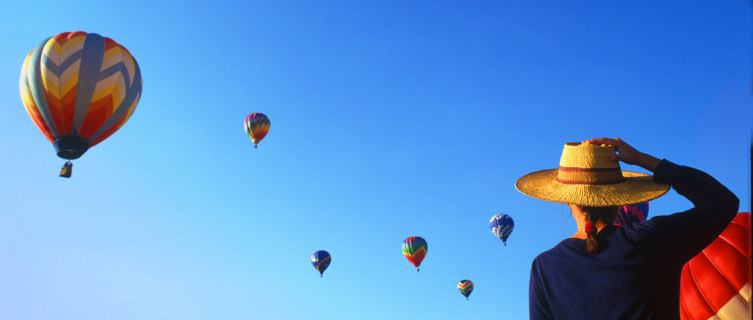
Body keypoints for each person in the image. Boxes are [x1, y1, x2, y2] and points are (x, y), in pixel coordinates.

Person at [516, 138, 739, 320]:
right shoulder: (650, 239)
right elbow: (723, 202)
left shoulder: (545, 266)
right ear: (619, 199)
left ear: (566, 200)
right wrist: (644, 160)